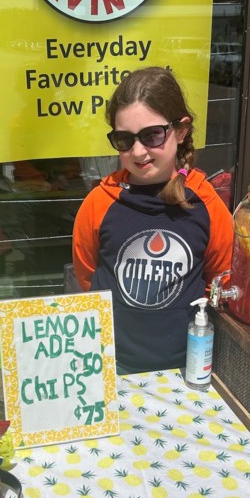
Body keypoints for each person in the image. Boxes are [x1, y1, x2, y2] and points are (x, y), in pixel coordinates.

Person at [72, 66, 233, 374]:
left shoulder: (205, 203)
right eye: (124, 139)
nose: (138, 151)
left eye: (152, 135)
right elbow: (87, 279)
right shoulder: (100, 202)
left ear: (181, 130)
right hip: (110, 367)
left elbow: (221, 283)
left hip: (186, 370)